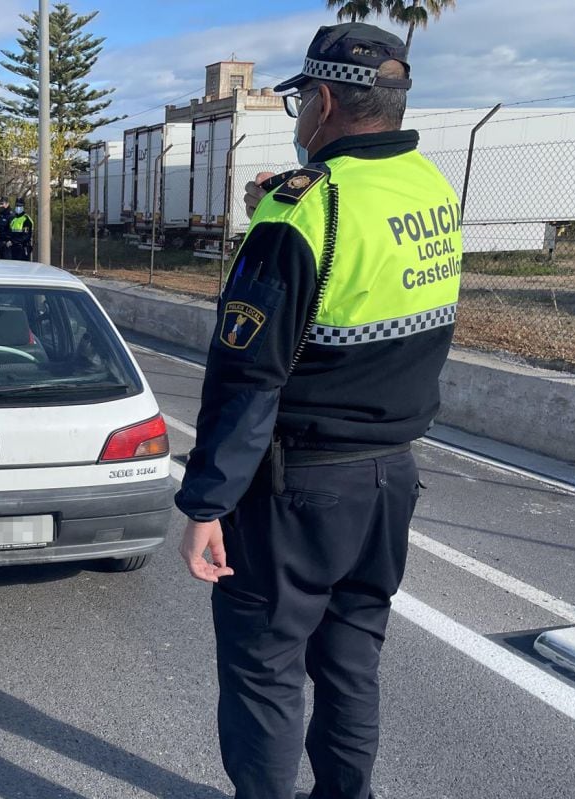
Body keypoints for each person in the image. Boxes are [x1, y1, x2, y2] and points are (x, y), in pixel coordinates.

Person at [175, 23, 462, 799]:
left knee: (266, 673)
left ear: (325, 101)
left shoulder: (302, 213)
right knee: (351, 664)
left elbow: (246, 378)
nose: (300, 118)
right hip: (391, 479)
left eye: (302, 103)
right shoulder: (431, 190)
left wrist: (206, 502)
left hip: (294, 491)